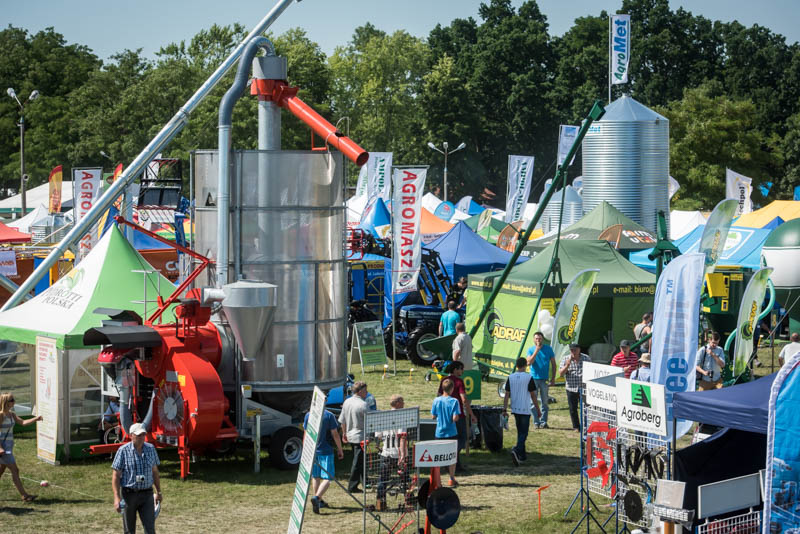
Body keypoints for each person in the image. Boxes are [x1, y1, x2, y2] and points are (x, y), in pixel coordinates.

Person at [112, 422, 162, 534]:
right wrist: (116, 497)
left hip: (147, 494)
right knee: (129, 530)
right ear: (131, 435)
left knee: (150, 529)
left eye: (143, 435)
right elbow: (116, 475)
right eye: (139, 435)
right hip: (128, 495)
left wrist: (158, 492)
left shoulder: (151, 449)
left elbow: (155, 472)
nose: (142, 438)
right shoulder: (123, 451)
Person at [0, 393, 43, 502]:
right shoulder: (1, 415)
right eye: (12, 400)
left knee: (1, 470)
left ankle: (24, 495)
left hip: (8, 446)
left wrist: (36, 419)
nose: (14, 401)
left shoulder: (12, 414)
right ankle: (24, 495)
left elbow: (23, 422)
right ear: (6, 402)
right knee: (15, 470)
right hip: (3, 448)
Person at [437, 361, 475, 473]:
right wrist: (471, 414)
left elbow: (438, 396)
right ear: (455, 370)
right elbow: (464, 399)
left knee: (450, 440)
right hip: (458, 416)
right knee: (462, 439)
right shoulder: (459, 381)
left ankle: (452, 463)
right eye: (461, 369)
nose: (462, 371)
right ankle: (452, 461)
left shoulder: (444, 380)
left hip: (445, 416)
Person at [304, 408, 344, 514]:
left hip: (312, 451)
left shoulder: (308, 414)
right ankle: (317, 498)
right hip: (326, 451)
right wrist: (340, 449)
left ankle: (319, 502)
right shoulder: (329, 415)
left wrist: (305, 449)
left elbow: (306, 433)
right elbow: (335, 434)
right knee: (328, 478)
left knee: (316, 477)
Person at [503, 357, 542, 467]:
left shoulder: (510, 377)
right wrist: (538, 409)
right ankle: (516, 450)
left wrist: (504, 409)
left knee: (520, 432)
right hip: (525, 409)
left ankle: (522, 455)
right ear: (525, 365)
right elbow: (533, 395)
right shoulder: (529, 377)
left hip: (515, 408)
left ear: (516, 365)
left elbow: (506, 395)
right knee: (524, 433)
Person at [376, 394, 407, 512]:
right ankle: (409, 501)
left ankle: (380, 503)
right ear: (398, 403)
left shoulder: (383, 417)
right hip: (397, 453)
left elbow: (378, 436)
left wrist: (380, 446)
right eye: (402, 401)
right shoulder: (401, 417)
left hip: (385, 453)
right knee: (405, 479)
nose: (404, 404)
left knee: (382, 480)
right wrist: (402, 455)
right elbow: (402, 438)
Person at [431, 377, 461, 487]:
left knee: (438, 457)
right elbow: (455, 418)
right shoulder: (454, 401)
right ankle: (451, 478)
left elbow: (433, 416)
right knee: (452, 457)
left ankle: (437, 480)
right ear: (452, 389)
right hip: (451, 433)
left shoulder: (436, 400)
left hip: (439, 433)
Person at [339, 380, 368, 493]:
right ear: (360, 391)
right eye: (365, 390)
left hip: (350, 435)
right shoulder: (363, 405)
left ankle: (365, 481)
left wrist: (344, 433)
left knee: (360, 460)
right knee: (358, 462)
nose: (367, 392)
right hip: (360, 437)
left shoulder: (347, 402)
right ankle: (352, 486)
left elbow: (342, 420)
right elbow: (369, 422)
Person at [525, 331, 555, 429]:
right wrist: (536, 351)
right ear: (534, 339)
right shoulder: (530, 350)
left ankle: (543, 422)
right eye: (536, 338)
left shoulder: (548, 349)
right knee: (532, 402)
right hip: (533, 379)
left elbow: (553, 364)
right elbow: (529, 363)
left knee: (544, 402)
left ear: (543, 339)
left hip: (544, 379)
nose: (538, 340)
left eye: (540, 338)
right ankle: (536, 422)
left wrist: (553, 378)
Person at [559, 344, 590, 432]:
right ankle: (576, 426)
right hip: (571, 388)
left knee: (586, 408)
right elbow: (561, 373)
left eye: (575, 350)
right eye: (571, 350)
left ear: (579, 350)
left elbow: (591, 370)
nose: (573, 352)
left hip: (584, 387)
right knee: (573, 409)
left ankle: (586, 426)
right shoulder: (565, 359)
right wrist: (567, 365)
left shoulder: (586, 358)